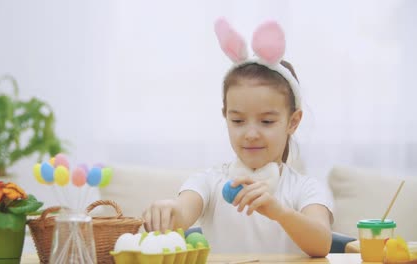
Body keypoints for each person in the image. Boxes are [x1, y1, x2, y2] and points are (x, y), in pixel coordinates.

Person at [142, 18, 333, 257]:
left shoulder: (305, 188)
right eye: (238, 121)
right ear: (225, 117)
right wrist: (169, 212)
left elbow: (322, 244)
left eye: (266, 121)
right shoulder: (209, 181)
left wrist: (279, 212)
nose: (251, 134)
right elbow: (182, 212)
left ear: (293, 122)